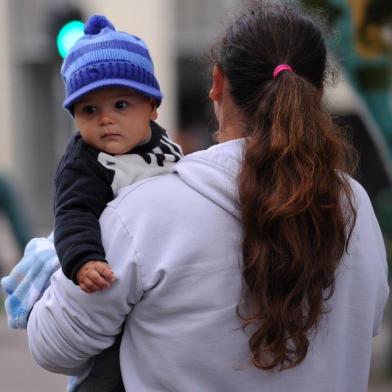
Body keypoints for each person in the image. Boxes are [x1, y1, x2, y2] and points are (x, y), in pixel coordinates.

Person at [27, 2, 389, 391]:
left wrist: (48, 266)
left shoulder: (144, 212)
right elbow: (363, 324)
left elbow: (54, 346)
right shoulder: (355, 207)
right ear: (316, 93)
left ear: (217, 82)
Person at [2, 13, 182, 392]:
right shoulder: (85, 163)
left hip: (158, 280)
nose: (106, 121)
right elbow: (73, 213)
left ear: (152, 107)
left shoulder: (166, 149)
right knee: (107, 372)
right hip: (108, 280)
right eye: (89, 110)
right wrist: (84, 260)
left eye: (120, 105)